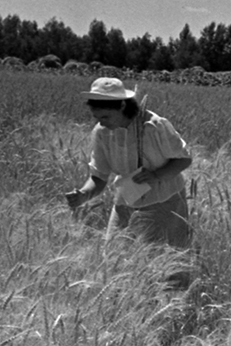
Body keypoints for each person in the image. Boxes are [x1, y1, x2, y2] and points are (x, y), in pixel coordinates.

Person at [65, 77, 193, 248]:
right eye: (96, 117)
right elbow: (99, 176)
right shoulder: (102, 132)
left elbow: (184, 159)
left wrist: (156, 175)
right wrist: (83, 194)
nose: (101, 122)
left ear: (123, 106)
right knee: (114, 253)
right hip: (126, 199)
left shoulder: (154, 126)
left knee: (161, 258)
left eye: (106, 116)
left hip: (165, 201)